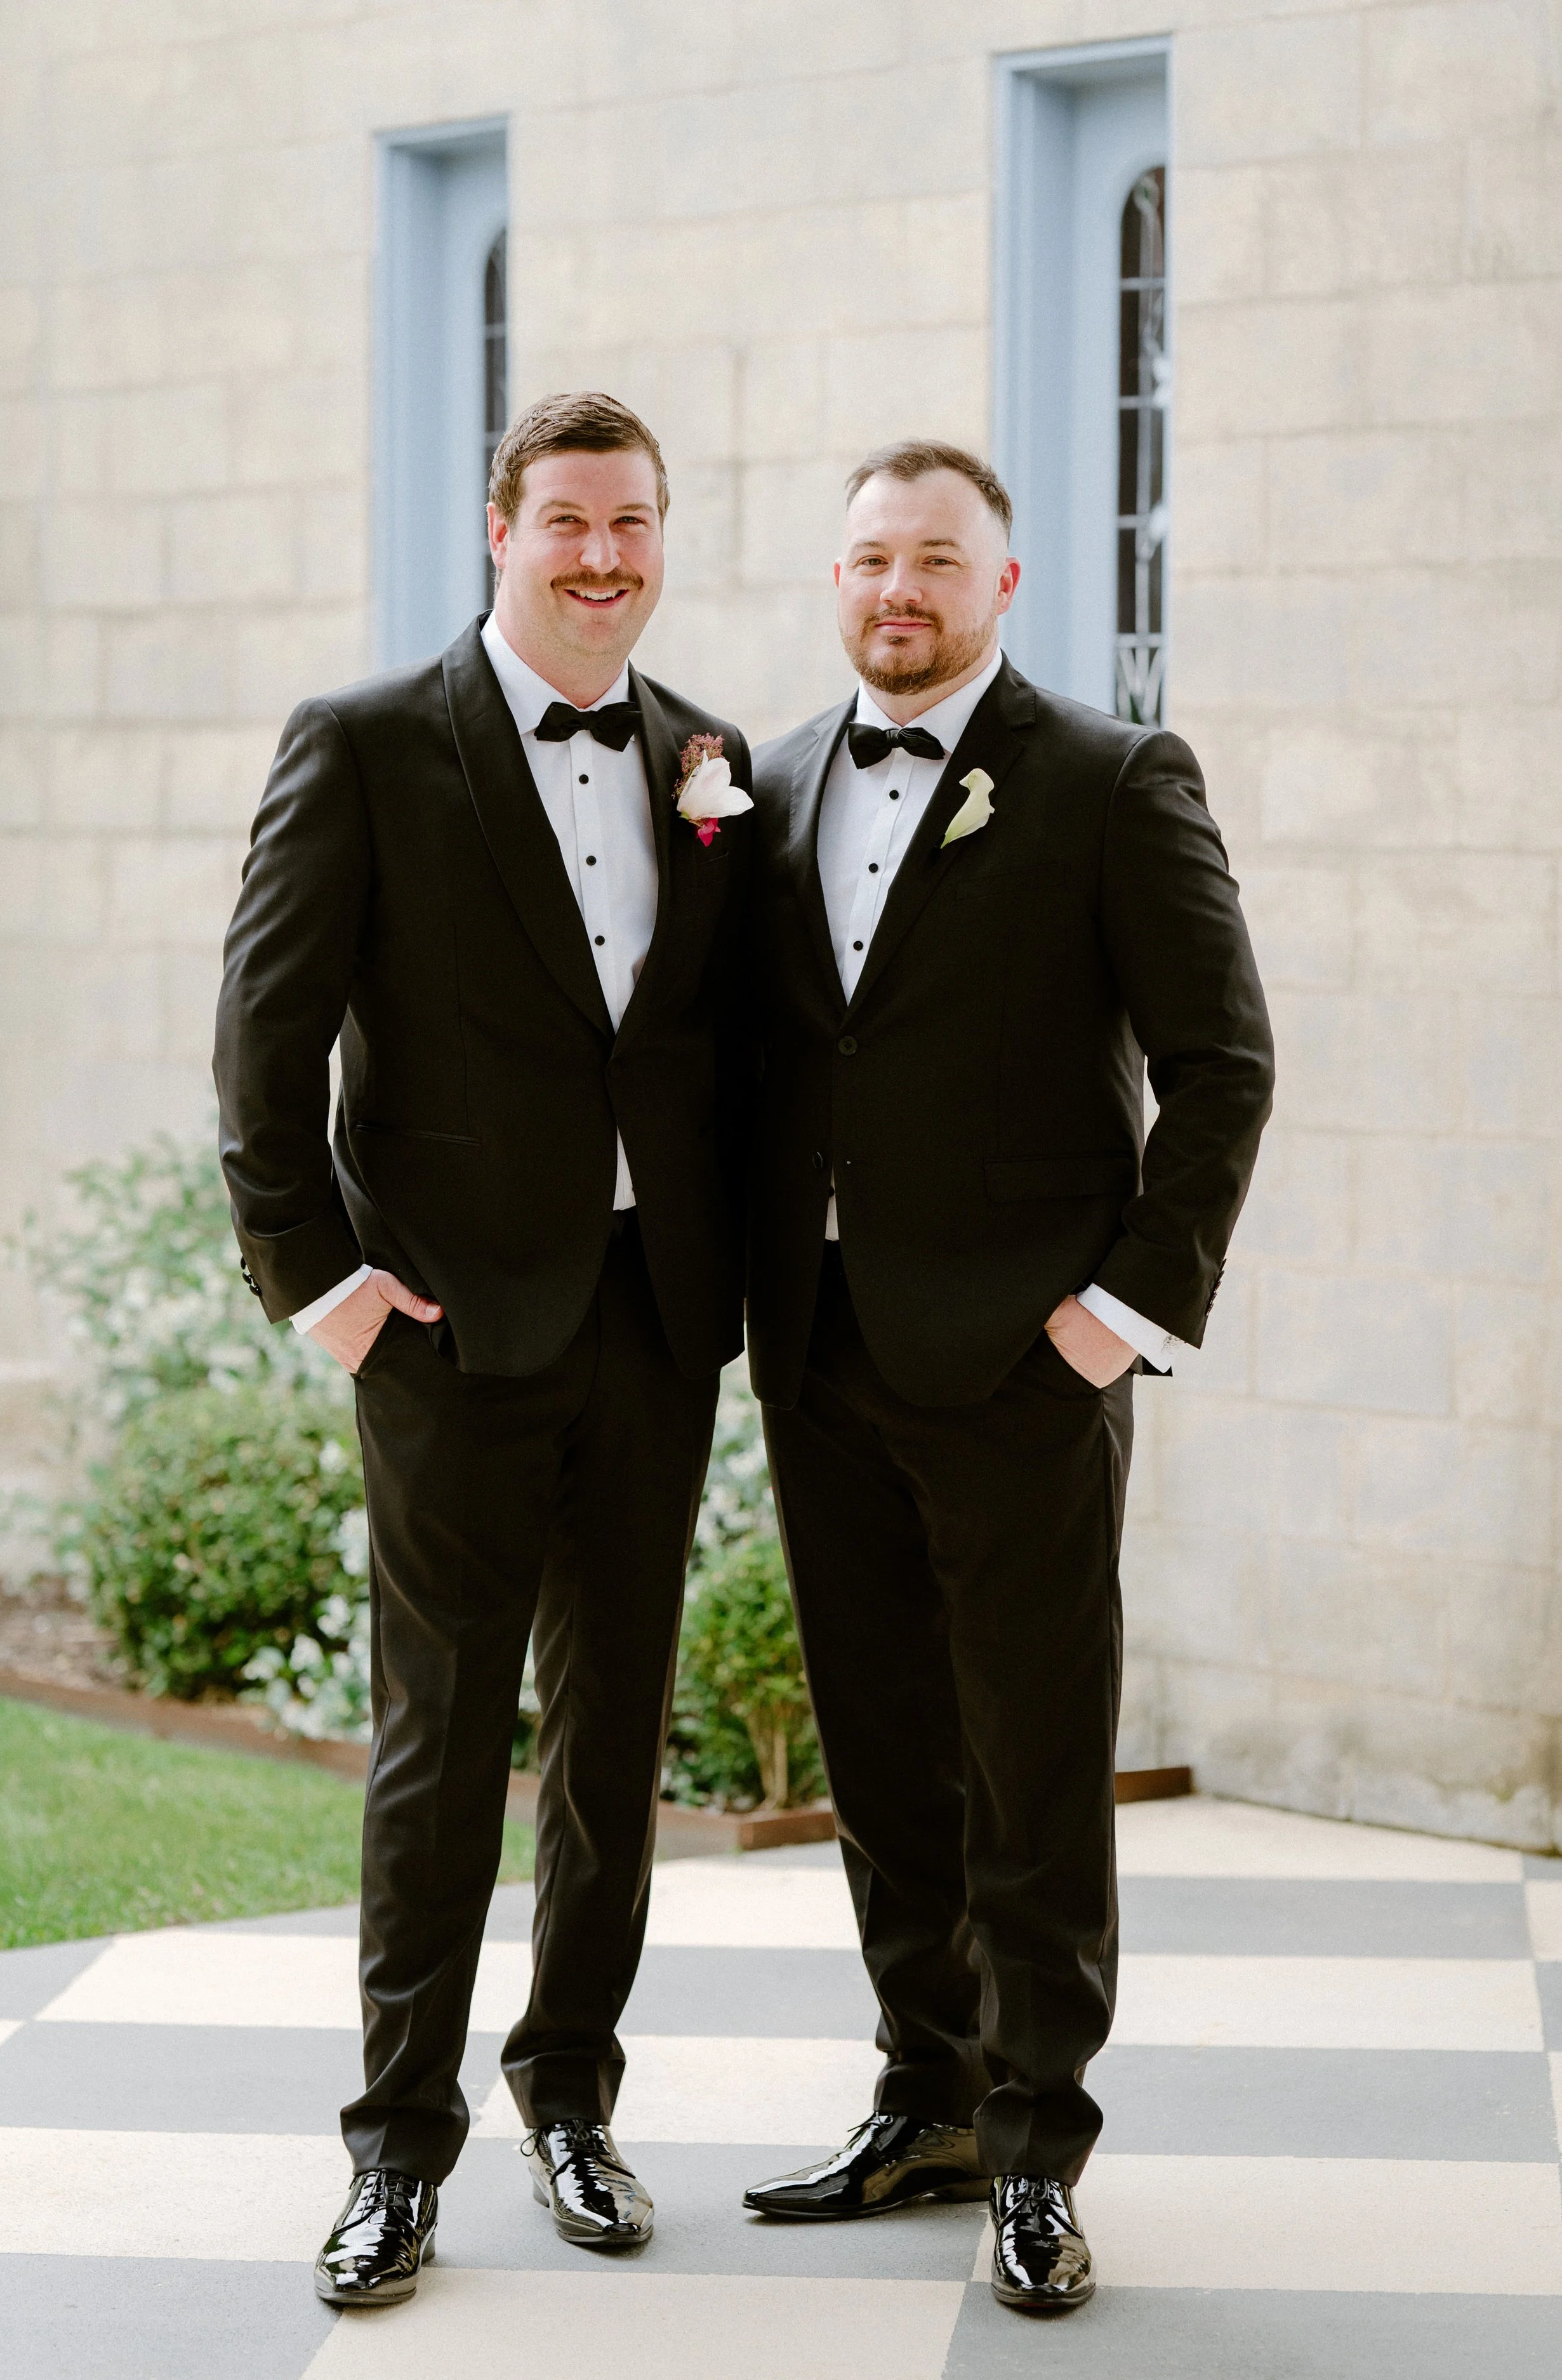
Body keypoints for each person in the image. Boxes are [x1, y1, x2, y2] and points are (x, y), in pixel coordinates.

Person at [213, 392, 754, 2307]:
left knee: (612, 1738)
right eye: (568, 524)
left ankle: (572, 2098)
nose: (602, 557)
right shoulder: (361, 746)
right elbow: (263, 1051)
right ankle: (394, 2151)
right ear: (501, 533)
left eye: (632, 523)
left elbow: (712, 1052)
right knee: (439, 1746)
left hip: (651, 1321)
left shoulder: (707, 754)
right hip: (444, 1325)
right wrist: (328, 1283)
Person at [741, 441, 1273, 2313]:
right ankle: (927, 2097)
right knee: (886, 1761)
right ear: (835, 579)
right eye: (870, 559)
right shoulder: (777, 775)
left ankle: (1040, 2149)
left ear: (1004, 582)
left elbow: (1223, 1065)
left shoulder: (1117, 777)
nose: (899, 591)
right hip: (818, 1358)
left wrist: (1112, 1320)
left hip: (1027, 1365)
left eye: (935, 562)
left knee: (1032, 1767)